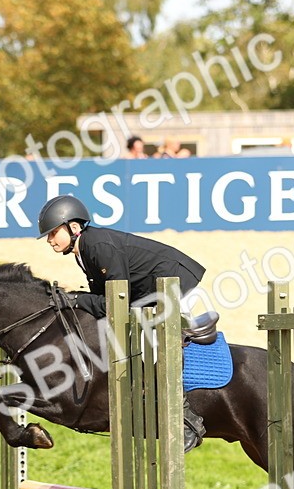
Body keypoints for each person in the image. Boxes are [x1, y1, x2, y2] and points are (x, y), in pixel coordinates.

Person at [37, 194, 214, 452]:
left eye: (53, 233)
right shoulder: (84, 250)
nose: (50, 240)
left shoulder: (98, 247)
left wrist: (75, 299)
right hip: (151, 291)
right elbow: (104, 299)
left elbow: (115, 304)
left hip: (175, 285)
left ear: (73, 228)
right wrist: (77, 298)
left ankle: (188, 421)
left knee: (149, 342)